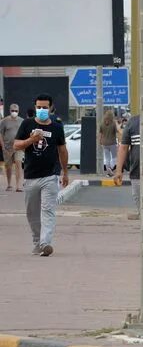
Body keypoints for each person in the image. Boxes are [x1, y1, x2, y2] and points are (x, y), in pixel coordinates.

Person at [13, 94, 69, 257]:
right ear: (35, 107)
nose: (42, 110)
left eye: (45, 107)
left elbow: (62, 151)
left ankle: (46, 243)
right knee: (32, 212)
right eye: (39, 107)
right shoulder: (27, 123)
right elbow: (16, 145)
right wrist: (31, 140)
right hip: (31, 176)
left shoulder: (57, 127)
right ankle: (37, 242)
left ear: (51, 108)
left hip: (50, 176)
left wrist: (65, 172)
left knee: (48, 210)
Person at [0, 103, 24, 191]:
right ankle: (9, 184)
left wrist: (23, 144)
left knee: (18, 164)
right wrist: (3, 146)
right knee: (8, 166)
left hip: (18, 147)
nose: (14, 112)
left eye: (16, 111)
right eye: (13, 111)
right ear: (10, 111)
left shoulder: (22, 121)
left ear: (18, 111)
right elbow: (1, 134)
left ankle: (18, 186)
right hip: (7, 148)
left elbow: (24, 133)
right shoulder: (4, 121)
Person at [99, 110, 118, 176]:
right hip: (112, 143)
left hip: (104, 143)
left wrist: (100, 141)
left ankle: (108, 172)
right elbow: (116, 132)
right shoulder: (113, 124)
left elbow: (100, 134)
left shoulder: (102, 124)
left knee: (107, 158)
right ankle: (111, 168)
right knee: (114, 157)